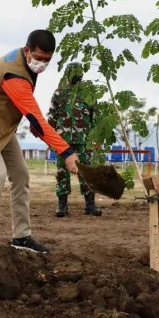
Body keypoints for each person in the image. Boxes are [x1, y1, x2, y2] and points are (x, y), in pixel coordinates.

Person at [0, 29, 79, 254]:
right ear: (26, 50)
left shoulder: (25, 63)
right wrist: (66, 152)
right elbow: (36, 116)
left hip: (0, 125)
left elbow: (25, 107)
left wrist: (33, 122)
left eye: (47, 60)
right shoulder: (14, 74)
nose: (41, 64)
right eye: (39, 58)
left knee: (21, 175)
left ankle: (21, 237)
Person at [47, 62, 102, 217]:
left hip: (84, 141)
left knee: (86, 173)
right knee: (61, 173)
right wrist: (50, 139)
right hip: (62, 141)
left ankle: (90, 205)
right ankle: (62, 206)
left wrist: (96, 138)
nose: (77, 75)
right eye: (74, 72)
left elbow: (95, 117)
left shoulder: (89, 94)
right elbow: (52, 117)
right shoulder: (59, 93)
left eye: (79, 72)